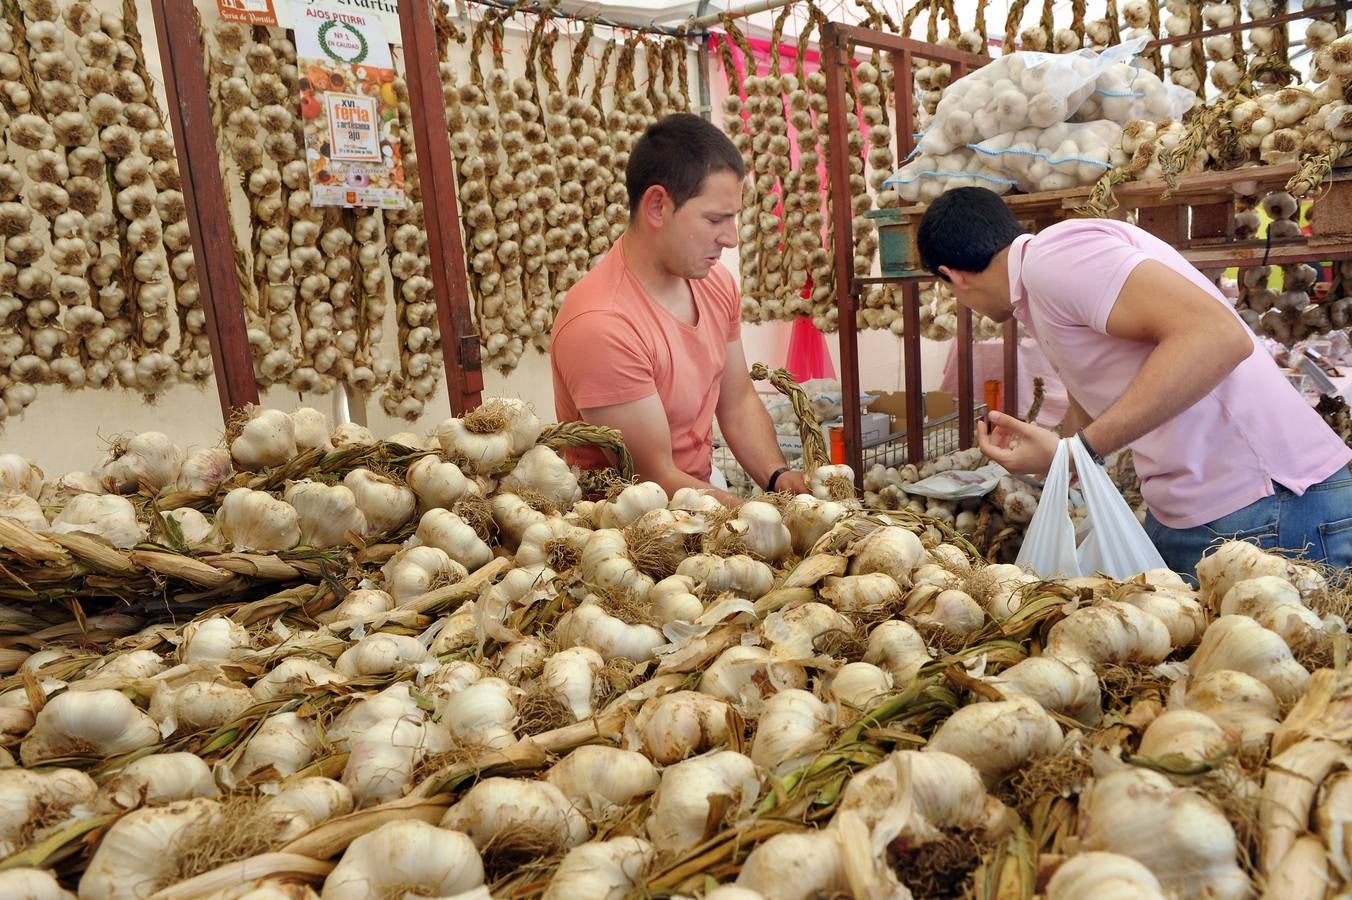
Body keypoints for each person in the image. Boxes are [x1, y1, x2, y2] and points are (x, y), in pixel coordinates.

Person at [916, 186, 1352, 578]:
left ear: (953, 276)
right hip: (1218, 511)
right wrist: (1061, 454)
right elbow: (1093, 389)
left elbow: (1218, 337)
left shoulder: (1054, 259)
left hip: (1265, 506)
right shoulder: (1038, 288)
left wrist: (1080, 451)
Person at [550, 113, 807, 505]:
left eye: (733, 218)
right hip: (625, 529)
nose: (731, 239)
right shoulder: (602, 325)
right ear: (657, 206)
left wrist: (777, 477)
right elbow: (653, 477)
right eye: (715, 219)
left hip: (699, 494)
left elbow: (736, 400)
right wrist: (765, 519)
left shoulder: (716, 283)